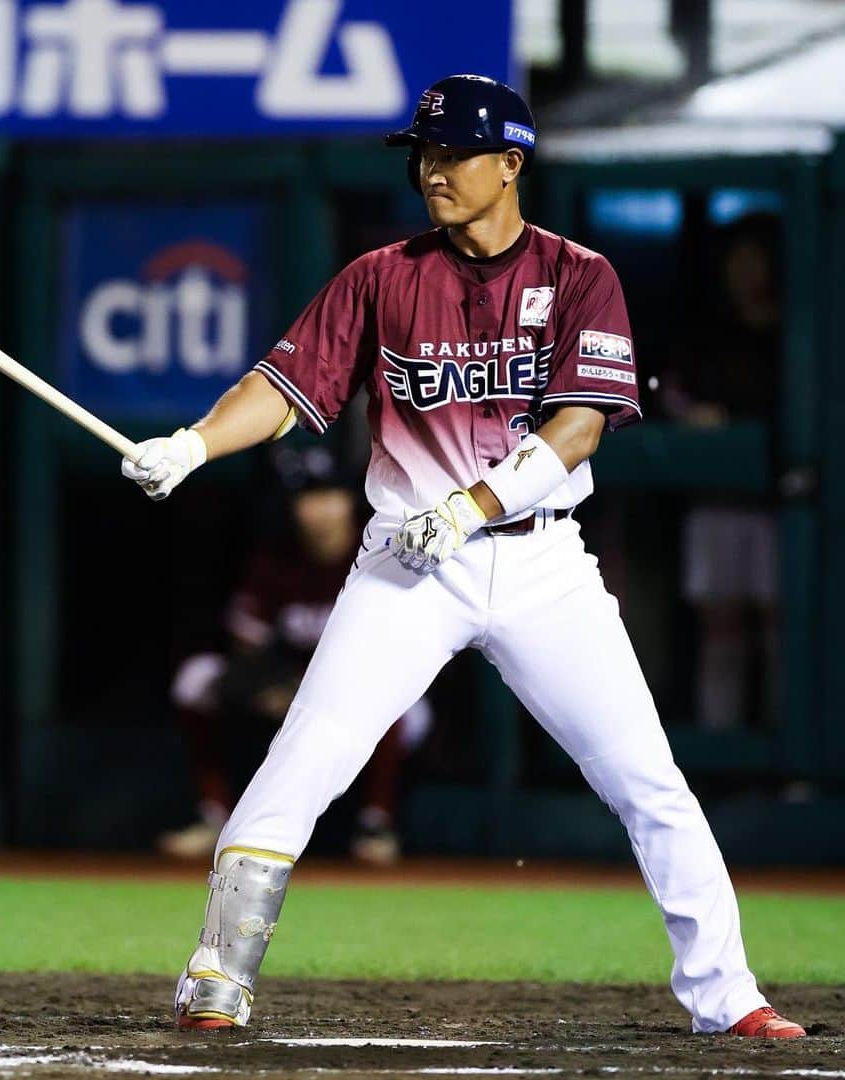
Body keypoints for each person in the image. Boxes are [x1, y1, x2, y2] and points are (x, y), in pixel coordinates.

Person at [121, 75, 804, 1039]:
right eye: (423, 154)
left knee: (650, 783)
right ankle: (217, 975)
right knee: (303, 762)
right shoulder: (381, 275)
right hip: (408, 564)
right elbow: (284, 383)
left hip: (539, 564)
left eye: (451, 153)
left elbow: (577, 430)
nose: (431, 171)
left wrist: (474, 504)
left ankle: (729, 997)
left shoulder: (579, 275)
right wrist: (193, 443)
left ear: (510, 164)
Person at [159, 446, 429, 863]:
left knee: (409, 707)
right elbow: (246, 649)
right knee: (195, 680)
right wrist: (279, 689)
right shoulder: (275, 560)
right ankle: (214, 814)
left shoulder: (381, 550)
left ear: (350, 500)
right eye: (308, 498)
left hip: (362, 693)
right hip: (285, 690)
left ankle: (377, 824)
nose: (320, 509)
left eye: (330, 495)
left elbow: (406, 649)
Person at [659, 214, 781, 730]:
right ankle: (722, 756)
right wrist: (692, 417)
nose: (747, 272)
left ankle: (787, 763)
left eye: (756, 260)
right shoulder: (707, 334)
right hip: (714, 503)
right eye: (738, 261)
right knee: (722, 638)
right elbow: (668, 390)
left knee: (780, 638)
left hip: (784, 507)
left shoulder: (799, 331)